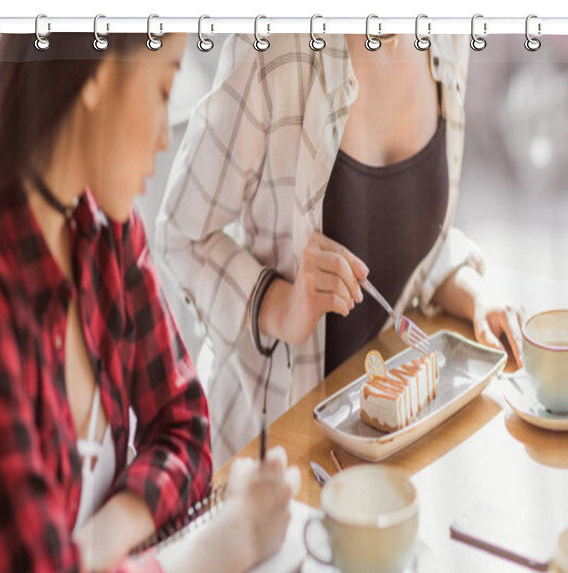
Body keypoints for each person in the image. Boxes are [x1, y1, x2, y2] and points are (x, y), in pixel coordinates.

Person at [0, 33, 299, 573]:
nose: (163, 135)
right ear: (91, 72)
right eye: (162, 85)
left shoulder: (101, 226)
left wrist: (89, 549)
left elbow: (184, 423)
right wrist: (236, 532)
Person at [157, 33, 523, 467]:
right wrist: (282, 305)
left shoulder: (446, 35)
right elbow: (180, 236)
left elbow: (404, 246)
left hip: (391, 444)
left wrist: (477, 297)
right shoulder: (271, 49)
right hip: (272, 460)